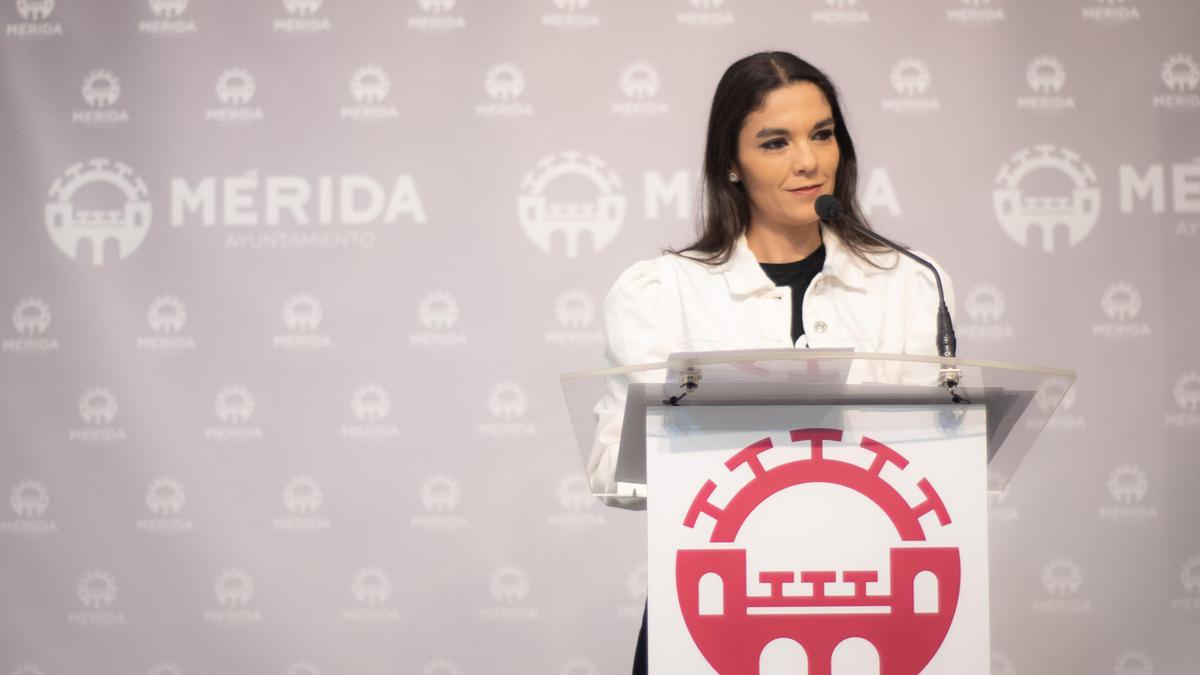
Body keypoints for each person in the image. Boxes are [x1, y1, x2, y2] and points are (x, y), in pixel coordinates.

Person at [587, 51, 955, 674]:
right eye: (775, 142)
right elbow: (610, 472)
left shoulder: (912, 281)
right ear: (730, 163)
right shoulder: (663, 290)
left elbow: (942, 457)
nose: (808, 162)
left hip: (872, 596)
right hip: (716, 605)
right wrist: (703, 428)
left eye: (822, 134)